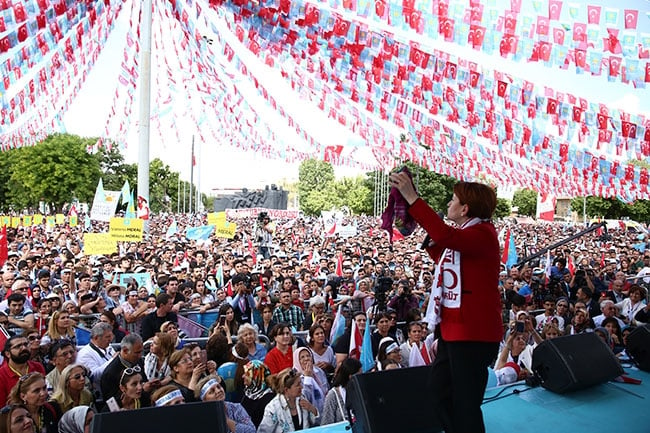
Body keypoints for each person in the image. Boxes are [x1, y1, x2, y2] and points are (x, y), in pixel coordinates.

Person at [389, 175, 502, 433]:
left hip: (474, 333)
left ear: (465, 209)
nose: (448, 204)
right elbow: (448, 253)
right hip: (453, 329)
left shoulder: (483, 234)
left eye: (453, 200)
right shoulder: (465, 235)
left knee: (466, 403)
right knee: (438, 392)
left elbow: (445, 236)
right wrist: (427, 236)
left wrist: (413, 199)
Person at [257, 368, 318, 433]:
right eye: (298, 385)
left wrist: (312, 410)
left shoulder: (302, 397)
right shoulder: (272, 408)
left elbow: (316, 425)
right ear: (286, 390)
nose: (302, 387)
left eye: (300, 383)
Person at [0, 336, 47, 407]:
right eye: (18, 346)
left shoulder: (38, 366)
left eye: (26, 344)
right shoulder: (1, 375)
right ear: (7, 354)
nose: (24, 348)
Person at [320, 358, 361, 425]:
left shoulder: (360, 392)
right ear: (351, 377)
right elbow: (326, 424)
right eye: (359, 375)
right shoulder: (333, 395)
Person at [292, 347, 327, 416]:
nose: (306, 359)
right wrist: (307, 378)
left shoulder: (319, 371)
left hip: (325, 410)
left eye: (308, 356)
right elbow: (305, 398)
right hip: (309, 414)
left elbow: (326, 388)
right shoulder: (295, 377)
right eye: (302, 357)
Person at [240, 361, 275, 428]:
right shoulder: (248, 392)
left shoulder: (269, 398)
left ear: (256, 377)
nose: (243, 376)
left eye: (247, 374)